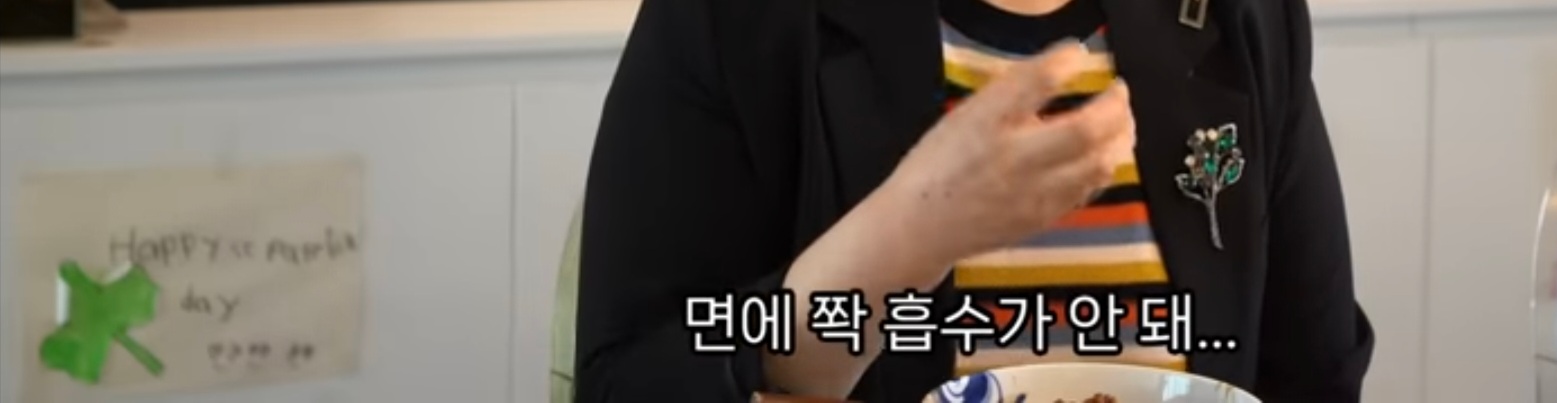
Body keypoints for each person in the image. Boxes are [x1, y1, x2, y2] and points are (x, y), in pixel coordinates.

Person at [574, 0, 1375, 401]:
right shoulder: (735, 21)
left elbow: (1313, 377)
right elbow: (632, 379)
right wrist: (907, 234)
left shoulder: (1245, 16)